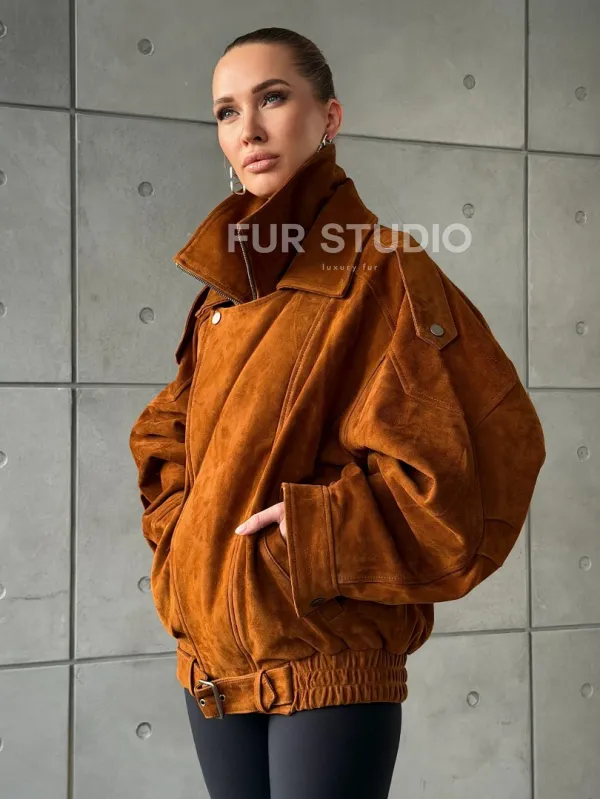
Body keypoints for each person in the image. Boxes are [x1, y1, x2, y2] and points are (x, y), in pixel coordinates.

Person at [128, 26, 547, 799]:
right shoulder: (224, 288)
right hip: (211, 663)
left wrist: (317, 531)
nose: (248, 129)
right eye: (227, 111)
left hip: (326, 657)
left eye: (272, 98)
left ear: (330, 117)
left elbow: (473, 460)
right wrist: (186, 533)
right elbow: (166, 435)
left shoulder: (382, 268)